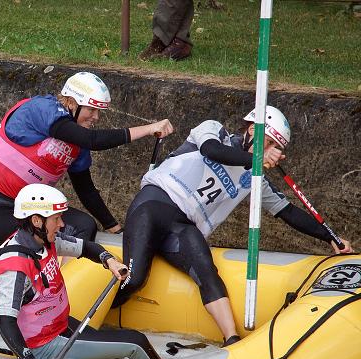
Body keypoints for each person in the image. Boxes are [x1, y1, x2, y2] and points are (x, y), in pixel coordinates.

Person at [114, 106, 354, 346]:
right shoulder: (214, 130)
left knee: (207, 270)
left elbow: (288, 212)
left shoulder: (254, 178)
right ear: (252, 130)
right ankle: (84, 321)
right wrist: (258, 159)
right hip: (154, 204)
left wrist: (330, 237)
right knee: (134, 279)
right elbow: (212, 151)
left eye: (275, 148)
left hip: (182, 226)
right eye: (268, 143)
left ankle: (231, 341)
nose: (271, 152)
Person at [0, 71, 174, 306]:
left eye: (98, 111)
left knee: (85, 225)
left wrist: (114, 227)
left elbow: (85, 187)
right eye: (91, 109)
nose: (96, 117)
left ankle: (49, 292)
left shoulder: (77, 141)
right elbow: (93, 141)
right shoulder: (42, 110)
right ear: (71, 102)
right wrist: (147, 129)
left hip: (34, 210)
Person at [0, 184, 162, 359]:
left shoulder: (43, 240)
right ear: (36, 220)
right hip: (43, 346)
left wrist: (109, 261)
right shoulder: (15, 268)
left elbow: (86, 247)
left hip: (58, 326)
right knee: (135, 342)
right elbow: (5, 322)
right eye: (56, 219)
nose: (61, 224)